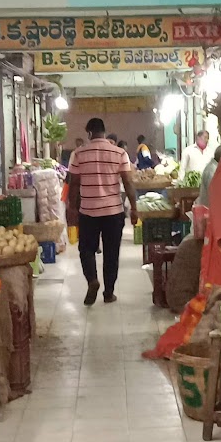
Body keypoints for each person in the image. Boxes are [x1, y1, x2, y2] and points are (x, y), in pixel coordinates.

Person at [67, 118, 138, 305]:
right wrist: (134, 208)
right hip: (113, 211)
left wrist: (71, 209)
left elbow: (73, 185)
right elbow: (128, 183)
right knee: (111, 253)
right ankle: (109, 293)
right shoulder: (119, 153)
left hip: (88, 212)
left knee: (86, 250)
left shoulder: (78, 154)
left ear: (89, 133)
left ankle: (92, 280)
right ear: (104, 132)